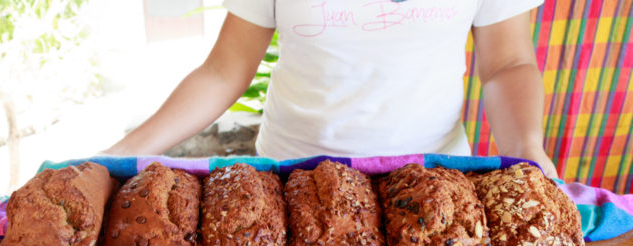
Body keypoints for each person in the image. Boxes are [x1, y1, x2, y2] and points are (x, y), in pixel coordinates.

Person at [103, 0, 558, 179]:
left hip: (432, 179)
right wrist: (121, 153)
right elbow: (223, 71)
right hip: (291, 178)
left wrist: (527, 148)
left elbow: (507, 63)